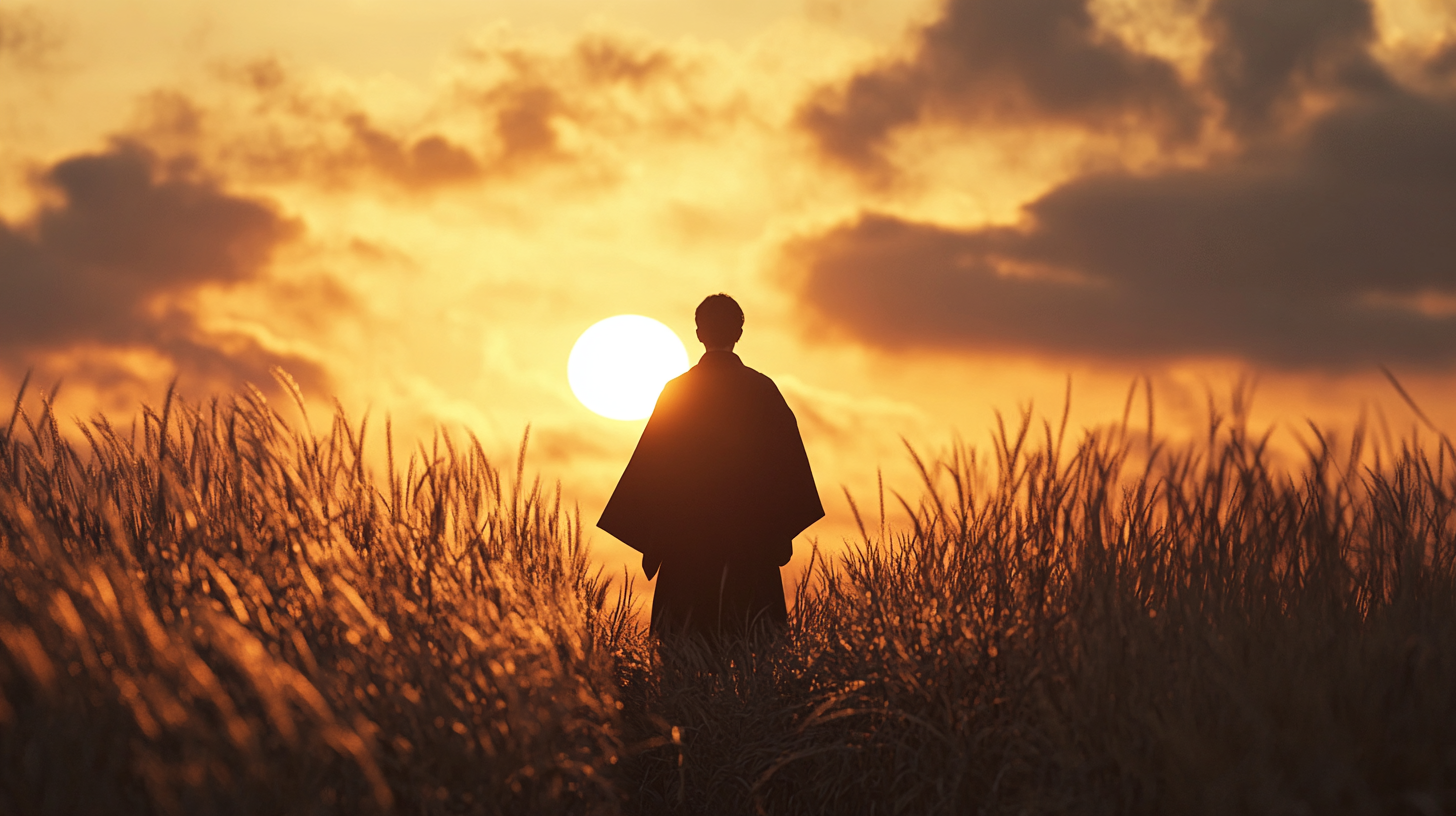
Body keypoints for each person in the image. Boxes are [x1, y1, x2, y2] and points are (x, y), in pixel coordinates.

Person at [598, 294, 823, 641]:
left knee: (686, 655)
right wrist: (777, 532)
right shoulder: (762, 391)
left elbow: (651, 469)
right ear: (739, 332)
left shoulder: (678, 392)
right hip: (751, 544)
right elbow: (789, 469)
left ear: (699, 333)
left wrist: (656, 538)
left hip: (687, 546)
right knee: (753, 653)